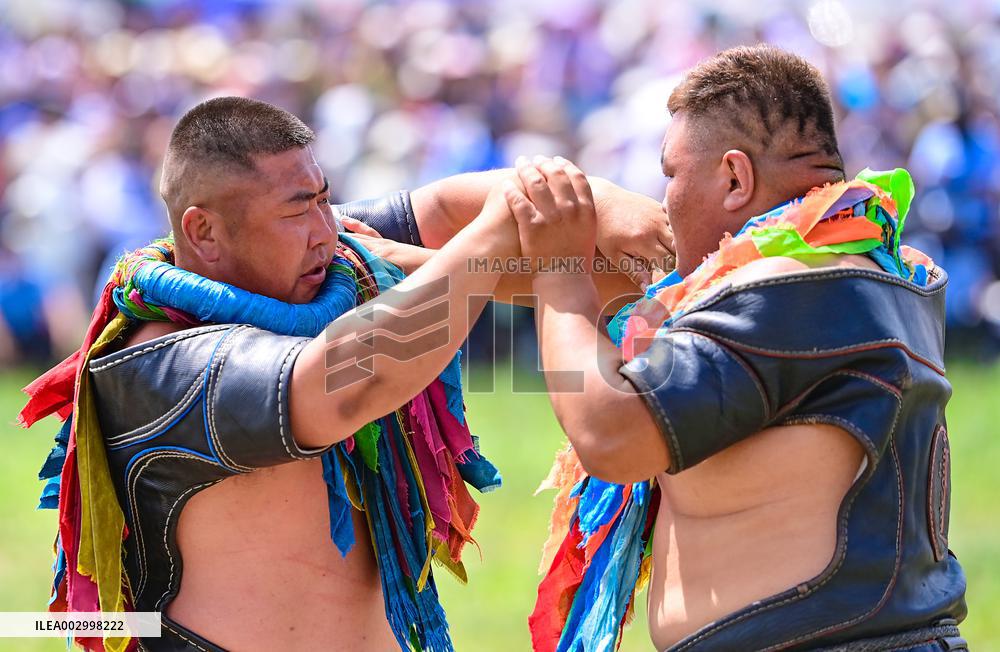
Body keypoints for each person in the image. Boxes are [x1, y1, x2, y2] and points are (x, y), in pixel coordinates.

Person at [19, 96, 669, 652]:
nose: (325, 231)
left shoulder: (329, 255)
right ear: (205, 233)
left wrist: (595, 199)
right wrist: (503, 233)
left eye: (325, 199)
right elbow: (351, 381)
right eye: (297, 210)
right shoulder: (157, 359)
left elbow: (448, 207)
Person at [501, 45, 968, 651]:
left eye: (671, 174)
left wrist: (558, 268)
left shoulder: (786, 285)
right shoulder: (864, 264)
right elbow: (588, 293)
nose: (663, 199)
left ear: (734, 178)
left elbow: (610, 434)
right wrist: (407, 257)